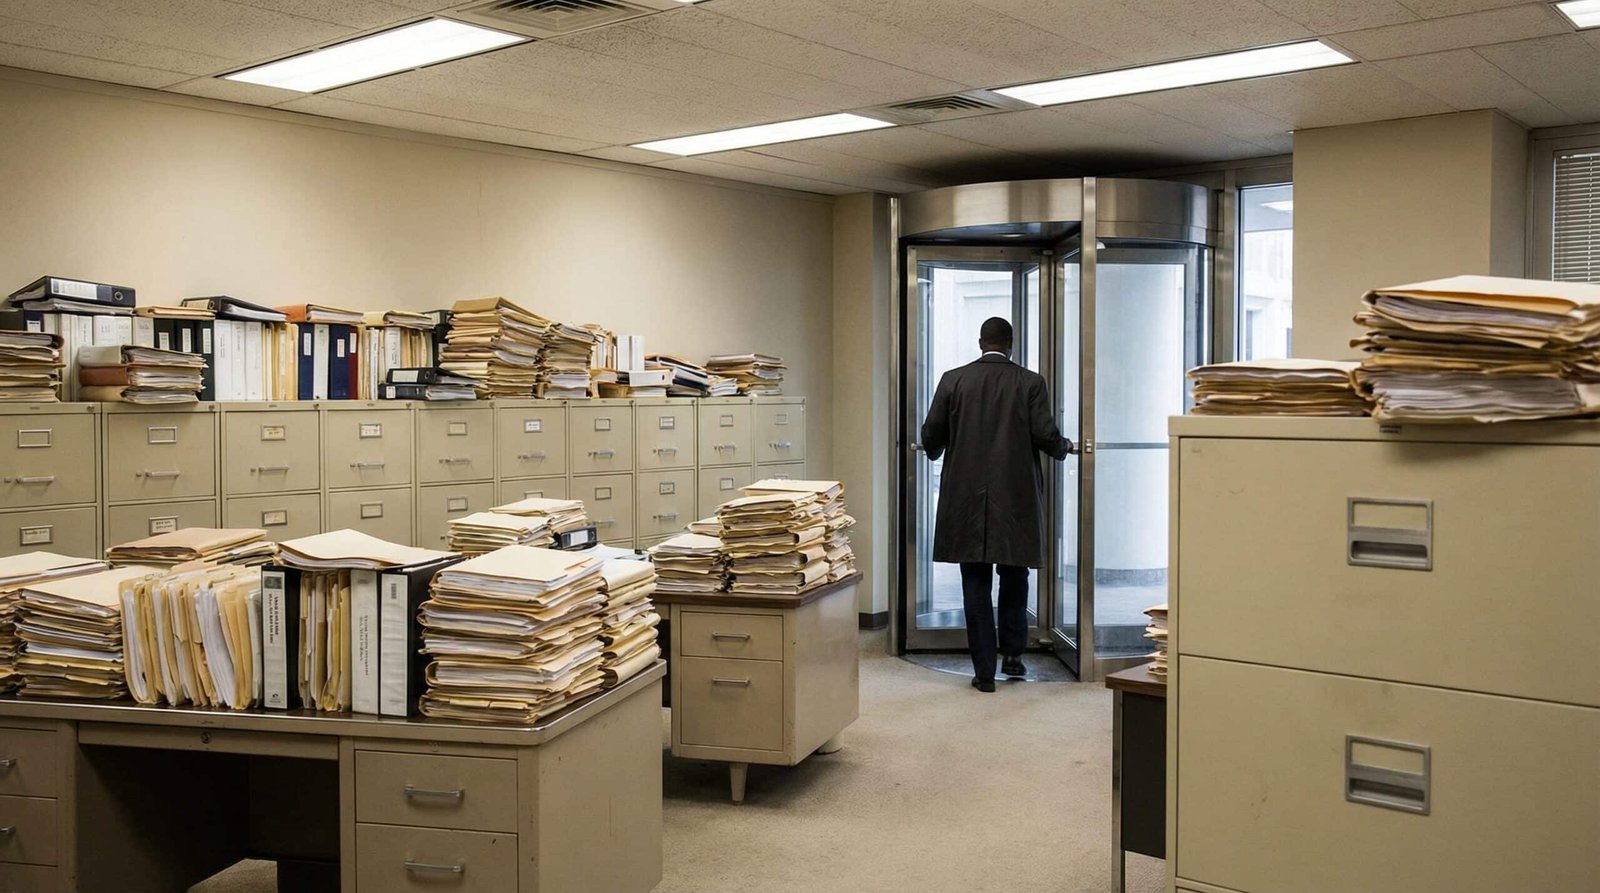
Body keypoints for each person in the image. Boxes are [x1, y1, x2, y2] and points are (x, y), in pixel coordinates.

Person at [920, 317, 1075, 692]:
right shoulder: (1030, 382)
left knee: (974, 583)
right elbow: (1044, 433)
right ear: (1010, 344)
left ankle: (984, 673)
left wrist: (936, 450)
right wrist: (1064, 448)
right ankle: (1014, 656)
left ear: (980, 342)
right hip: (1016, 497)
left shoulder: (953, 379)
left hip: (964, 498)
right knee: (1015, 577)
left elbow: (931, 434)